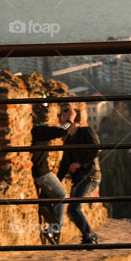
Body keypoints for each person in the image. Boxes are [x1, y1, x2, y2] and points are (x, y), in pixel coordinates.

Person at [30, 105, 77, 244]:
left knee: (50, 200)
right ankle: (54, 231)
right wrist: (70, 119)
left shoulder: (37, 130)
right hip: (42, 172)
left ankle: (48, 216)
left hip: (39, 171)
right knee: (62, 196)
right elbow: (62, 132)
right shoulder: (41, 130)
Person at [57, 111, 101, 245]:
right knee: (72, 210)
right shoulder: (68, 140)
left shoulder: (85, 131)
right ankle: (89, 236)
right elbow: (65, 163)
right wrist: (56, 182)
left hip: (90, 176)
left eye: (63, 115)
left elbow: (96, 149)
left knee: (74, 208)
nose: (60, 119)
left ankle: (91, 236)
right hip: (79, 179)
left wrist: (80, 163)